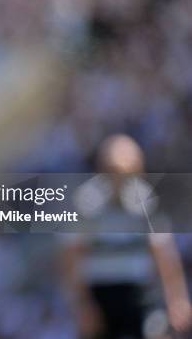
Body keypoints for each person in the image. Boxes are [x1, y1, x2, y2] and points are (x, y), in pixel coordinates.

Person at [61, 134, 192, 339]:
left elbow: (163, 252)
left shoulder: (145, 201)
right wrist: (81, 305)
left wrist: (176, 298)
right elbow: (71, 257)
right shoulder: (86, 204)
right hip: (102, 295)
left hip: (140, 292)